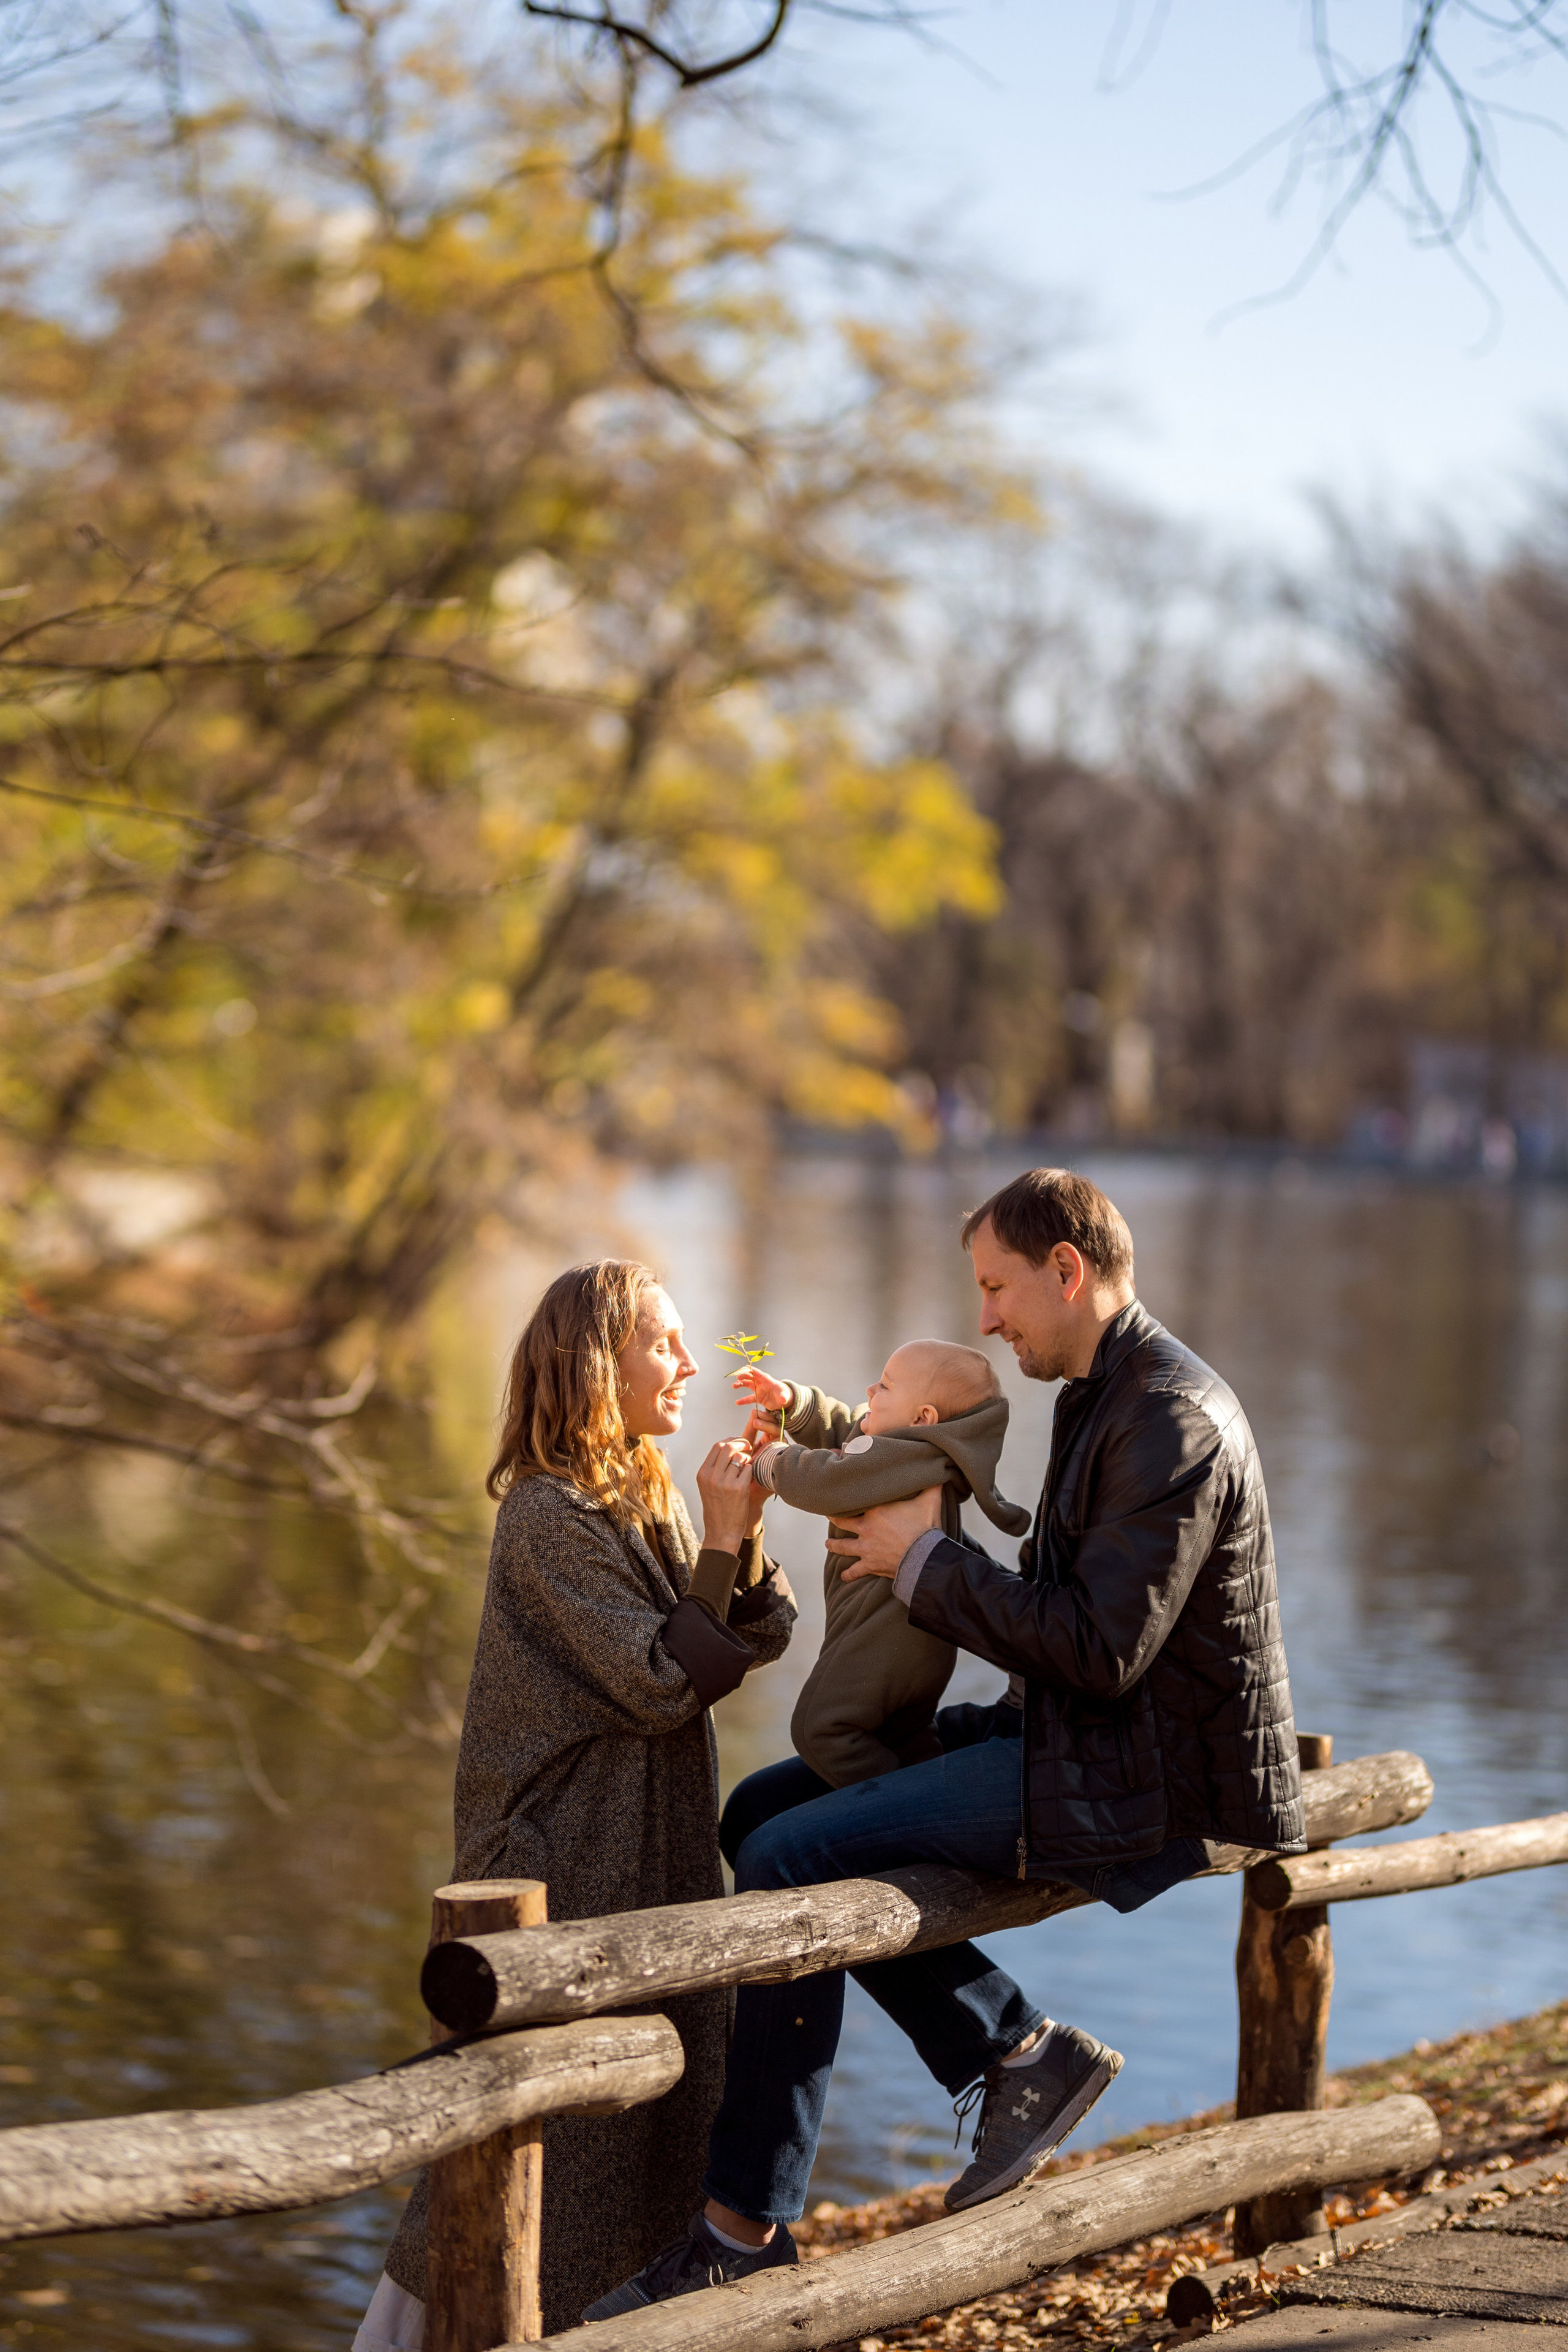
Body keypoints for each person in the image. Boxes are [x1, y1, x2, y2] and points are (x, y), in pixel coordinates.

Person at [586, 1167, 1306, 2321]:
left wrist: (922, 1563)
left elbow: (1103, 1650)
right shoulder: (1104, 1391)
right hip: (1073, 1735)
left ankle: (744, 2227)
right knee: (762, 1812)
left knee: (787, 1861)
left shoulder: (1167, 1414)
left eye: (997, 1288)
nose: (985, 1319)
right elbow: (1072, 1626)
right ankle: (1013, 2054)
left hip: (1133, 1774)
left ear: (1066, 1272)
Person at [353, 1259, 796, 2351]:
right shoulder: (547, 1517)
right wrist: (724, 1541)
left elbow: (754, 1634)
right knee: (544, 2140)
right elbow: (661, 1678)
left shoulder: (638, 1492)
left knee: (642, 2136)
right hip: (564, 1867)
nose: (691, 1363)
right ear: (601, 1361)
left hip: (643, 1853)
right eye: (667, 1343)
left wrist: (746, 1521)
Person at [740, 1340, 1030, 1786]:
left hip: (883, 1640)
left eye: (887, 1386)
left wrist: (770, 1461)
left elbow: (829, 1479)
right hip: (920, 1648)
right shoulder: (912, 1453)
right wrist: (797, 1406)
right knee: (907, 1736)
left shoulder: (903, 1459)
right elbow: (852, 1436)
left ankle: (900, 1805)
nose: (871, 1389)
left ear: (923, 1419)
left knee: (819, 1729)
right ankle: (925, 1786)